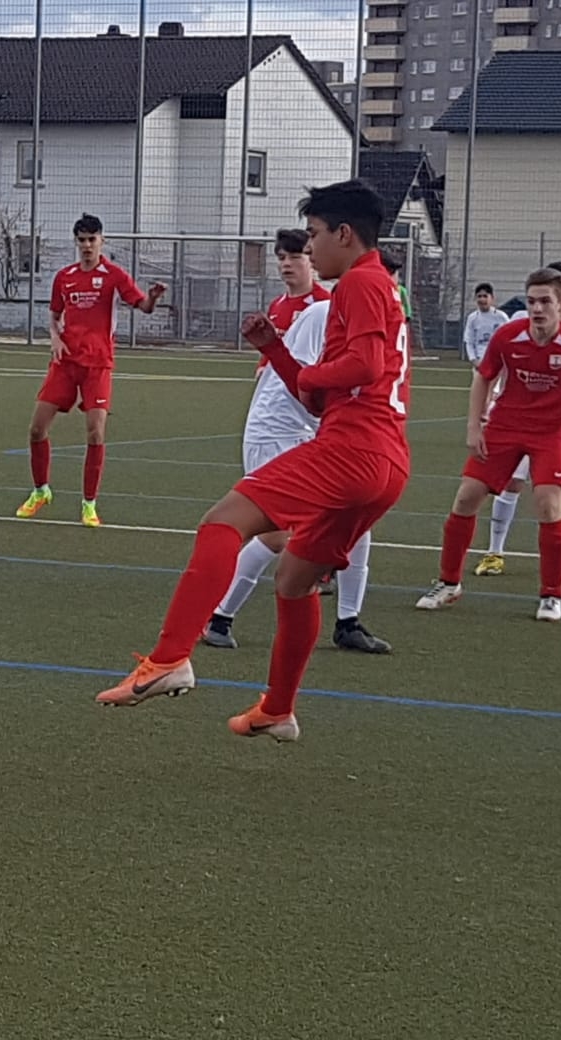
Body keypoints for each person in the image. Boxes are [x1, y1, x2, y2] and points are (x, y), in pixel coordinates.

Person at [95, 179, 408, 741]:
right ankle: (277, 711)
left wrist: (312, 373)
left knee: (223, 522)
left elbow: (361, 366)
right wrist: (277, 352)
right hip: (386, 462)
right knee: (294, 579)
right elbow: (319, 396)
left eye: (314, 235)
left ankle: (169, 659)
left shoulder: (360, 283)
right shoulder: (378, 287)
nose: (308, 248)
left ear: (344, 234)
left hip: (354, 449)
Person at [415, 267, 561, 622]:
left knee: (549, 504)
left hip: (550, 433)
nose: (537, 309)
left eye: (545, 301)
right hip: (504, 427)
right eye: (531, 301)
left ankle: (551, 595)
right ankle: (449, 583)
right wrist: (474, 426)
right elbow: (483, 377)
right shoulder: (508, 335)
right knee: (466, 497)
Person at [201, 298, 391, 655]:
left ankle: (348, 622)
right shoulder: (324, 313)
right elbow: (301, 385)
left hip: (315, 432)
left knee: (357, 515)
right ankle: (218, 617)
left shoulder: (372, 319)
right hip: (276, 429)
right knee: (277, 536)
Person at [15, 214, 166, 528]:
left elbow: (142, 306)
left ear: (101, 241)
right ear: (76, 242)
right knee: (36, 429)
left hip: (97, 365)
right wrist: (55, 338)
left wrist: (152, 298)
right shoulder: (64, 277)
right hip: (65, 363)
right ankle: (40, 491)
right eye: (82, 240)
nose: (87, 245)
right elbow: (54, 315)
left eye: (92, 239)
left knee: (95, 433)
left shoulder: (114, 276)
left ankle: (89, 504)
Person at [475, 261, 561, 576]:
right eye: (534, 299)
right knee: (511, 482)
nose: (539, 306)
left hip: (560, 419)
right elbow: (503, 362)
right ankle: (494, 552)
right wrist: (493, 397)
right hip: (518, 416)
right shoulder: (521, 322)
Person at [255, 227, 330, 372]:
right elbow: (273, 346)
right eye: (282, 258)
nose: (287, 263)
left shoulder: (324, 304)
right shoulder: (277, 304)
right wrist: (263, 366)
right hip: (276, 383)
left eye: (295, 257)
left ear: (312, 260)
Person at [463, 283, 510, 367]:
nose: (482, 299)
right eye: (479, 296)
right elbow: (469, 342)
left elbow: (509, 339)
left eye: (485, 296)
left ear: (492, 298)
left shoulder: (501, 317)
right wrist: (474, 360)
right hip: (480, 361)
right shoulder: (472, 318)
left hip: (499, 362)